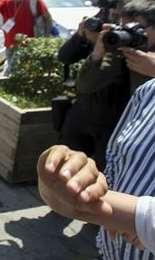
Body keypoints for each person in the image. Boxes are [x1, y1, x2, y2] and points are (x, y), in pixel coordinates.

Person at [38, 78, 155, 259]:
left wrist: (136, 222)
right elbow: (115, 166)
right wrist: (58, 185)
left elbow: (129, 215)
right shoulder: (148, 91)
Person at [57, 17, 130, 170]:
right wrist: (81, 35)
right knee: (66, 166)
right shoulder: (103, 34)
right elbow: (65, 56)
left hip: (113, 121)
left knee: (101, 174)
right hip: (82, 113)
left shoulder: (138, 46)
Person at [76, 0, 155, 96]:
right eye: (125, 28)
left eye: (137, 29)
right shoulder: (121, 55)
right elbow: (85, 86)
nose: (130, 34)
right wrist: (97, 54)